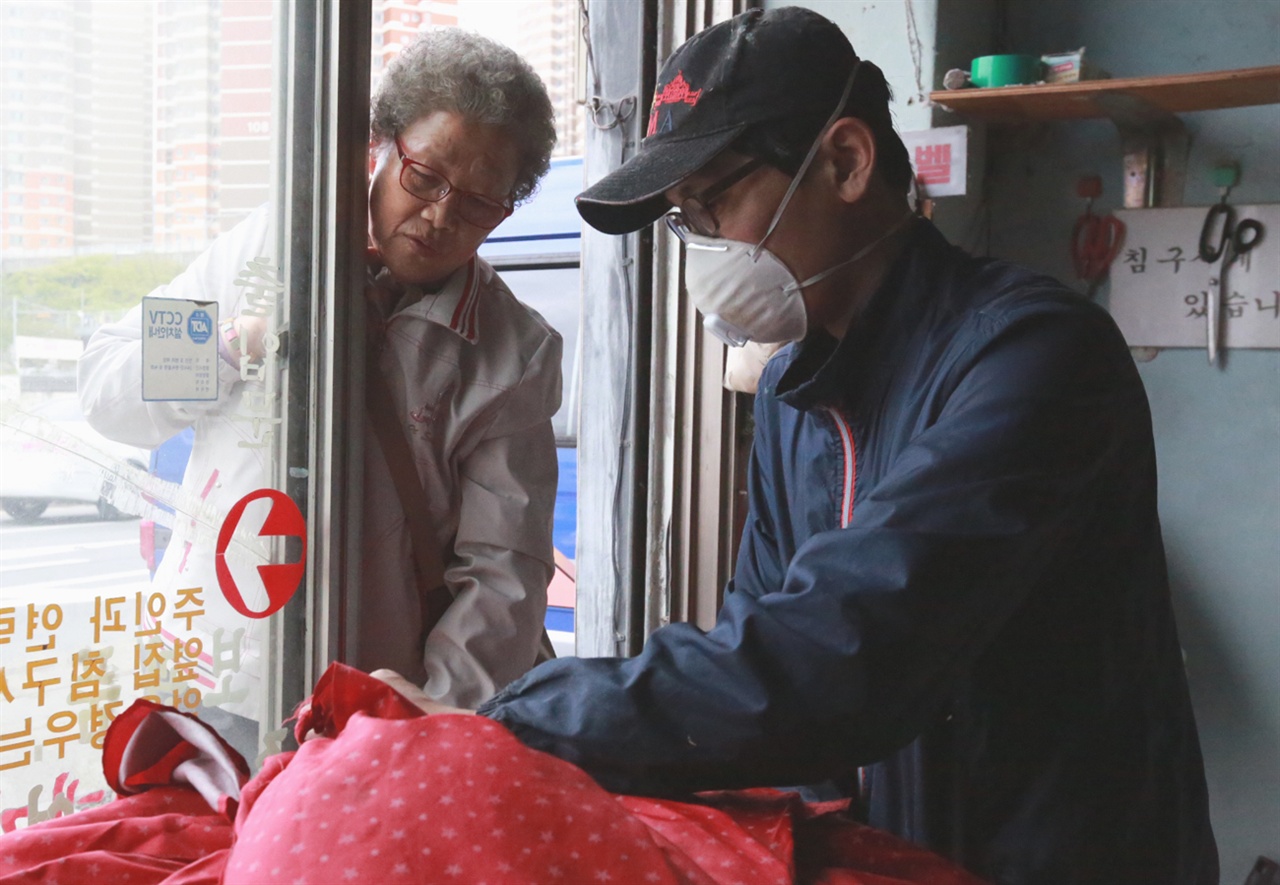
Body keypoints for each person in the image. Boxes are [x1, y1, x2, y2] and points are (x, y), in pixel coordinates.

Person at [379, 8, 1219, 884]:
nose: (703, 247)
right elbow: (766, 665)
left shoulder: (1032, 355)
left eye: (717, 200)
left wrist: (515, 719)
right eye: (683, 218)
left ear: (847, 162)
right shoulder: (792, 394)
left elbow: (839, 655)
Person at [78, 29, 562, 759]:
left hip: (371, 704)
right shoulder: (270, 252)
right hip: (217, 675)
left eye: (477, 204)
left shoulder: (510, 352)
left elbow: (504, 571)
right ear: (380, 146)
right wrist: (232, 346)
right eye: (424, 177)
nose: (438, 216)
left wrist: (428, 721)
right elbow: (108, 385)